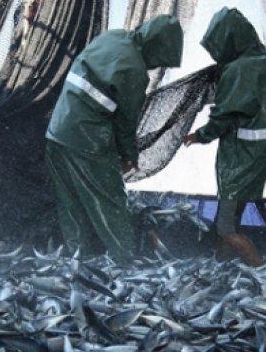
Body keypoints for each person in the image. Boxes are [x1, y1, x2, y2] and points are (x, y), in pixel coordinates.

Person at [45, 15, 183, 261]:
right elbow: (126, 122)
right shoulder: (135, 71)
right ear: (156, 49)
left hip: (56, 132)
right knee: (111, 203)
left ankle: (78, 261)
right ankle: (125, 264)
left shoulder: (112, 37)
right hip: (88, 140)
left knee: (71, 203)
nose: (155, 66)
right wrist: (130, 157)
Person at [182, 8, 266, 267]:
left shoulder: (237, 70)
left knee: (226, 227)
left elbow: (224, 116)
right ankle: (220, 265)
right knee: (230, 217)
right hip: (259, 157)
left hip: (236, 159)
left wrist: (199, 136)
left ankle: (264, 272)